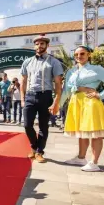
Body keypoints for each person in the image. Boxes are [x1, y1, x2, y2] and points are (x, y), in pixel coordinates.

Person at [20, 34, 64, 163]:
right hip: (30, 95)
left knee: (43, 126)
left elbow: (58, 83)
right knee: (27, 125)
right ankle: (34, 147)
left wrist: (56, 101)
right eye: (37, 44)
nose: (40, 46)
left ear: (47, 46)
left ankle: (39, 151)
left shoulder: (53, 62)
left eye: (42, 44)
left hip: (45, 96)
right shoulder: (27, 62)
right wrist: (22, 99)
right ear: (35, 46)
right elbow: (23, 81)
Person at [62, 46, 104, 172]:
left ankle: (94, 162)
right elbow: (66, 90)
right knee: (82, 132)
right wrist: (56, 106)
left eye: (82, 54)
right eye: (76, 54)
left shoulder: (97, 69)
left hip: (91, 102)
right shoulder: (71, 71)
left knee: (95, 133)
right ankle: (81, 158)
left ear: (89, 55)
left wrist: (100, 95)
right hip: (76, 102)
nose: (79, 56)